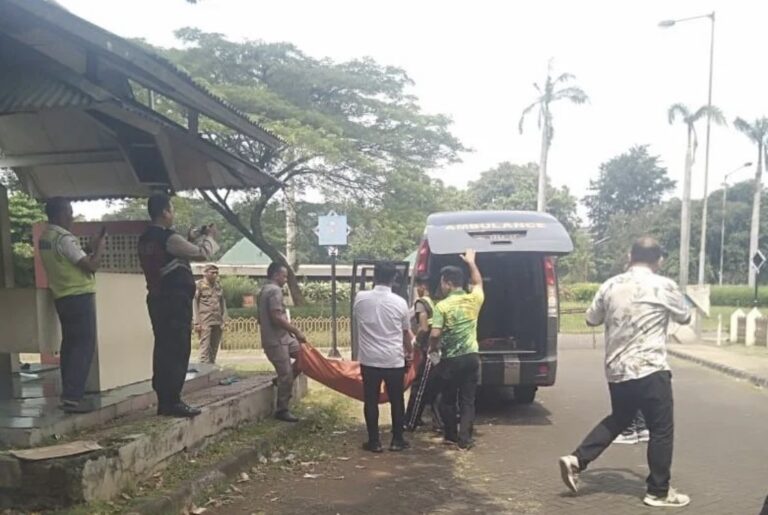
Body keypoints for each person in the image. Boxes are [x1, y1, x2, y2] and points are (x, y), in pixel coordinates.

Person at [559, 237, 692, 508]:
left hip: (617, 371)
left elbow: (590, 319)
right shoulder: (664, 286)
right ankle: (658, 491)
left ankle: (577, 459)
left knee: (620, 418)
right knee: (661, 430)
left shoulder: (610, 285)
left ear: (629, 255)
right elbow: (685, 317)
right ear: (659, 260)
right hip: (651, 368)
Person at [138, 194, 219, 418]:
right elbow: (202, 254)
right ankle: (172, 400)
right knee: (177, 348)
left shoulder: (146, 238)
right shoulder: (168, 238)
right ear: (164, 212)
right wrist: (209, 237)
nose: (172, 213)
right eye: (171, 209)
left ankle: (165, 397)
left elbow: (171, 256)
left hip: (157, 299)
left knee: (163, 348)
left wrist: (190, 239)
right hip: (173, 302)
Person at [39, 198, 105, 413]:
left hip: (62, 296)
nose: (72, 217)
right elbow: (91, 266)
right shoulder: (65, 238)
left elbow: (68, 259)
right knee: (83, 346)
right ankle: (73, 397)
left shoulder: (47, 237)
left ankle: (69, 393)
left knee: (70, 345)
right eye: (69, 212)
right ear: (59, 214)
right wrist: (99, 249)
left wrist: (88, 247)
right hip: (79, 295)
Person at [353, 262, 413, 453]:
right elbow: (405, 333)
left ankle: (374, 441)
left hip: (369, 360)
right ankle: (397, 440)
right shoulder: (400, 302)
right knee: (397, 399)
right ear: (394, 279)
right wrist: (409, 353)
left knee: (370, 400)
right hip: (393, 359)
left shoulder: (360, 298)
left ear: (374, 276)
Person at [429, 249, 483, 451]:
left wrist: (433, 350)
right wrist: (471, 262)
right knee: (468, 400)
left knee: (448, 400)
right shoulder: (473, 299)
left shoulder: (442, 306)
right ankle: (465, 440)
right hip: (471, 357)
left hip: (451, 360)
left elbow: (434, 334)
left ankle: (451, 435)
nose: (441, 286)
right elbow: (478, 283)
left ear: (448, 283)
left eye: (442, 282)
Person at [258, 262, 307, 423]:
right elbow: (276, 316)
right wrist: (296, 331)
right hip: (276, 341)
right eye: (284, 276)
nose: (286, 279)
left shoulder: (265, 290)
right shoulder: (274, 291)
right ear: (276, 275)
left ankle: (281, 382)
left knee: (304, 356)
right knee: (286, 375)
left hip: (283, 338)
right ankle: (282, 409)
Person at [404, 276, 442, 432]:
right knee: (434, 388)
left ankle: (410, 422)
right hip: (439, 350)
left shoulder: (422, 303)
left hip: (429, 350)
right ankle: (439, 423)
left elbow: (424, 328)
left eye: (418, 286)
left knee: (419, 387)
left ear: (422, 286)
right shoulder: (436, 302)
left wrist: (416, 343)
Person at [194, 264, 227, 364]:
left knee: (214, 347)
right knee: (205, 348)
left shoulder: (218, 286)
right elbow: (194, 303)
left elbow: (222, 303)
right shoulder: (199, 285)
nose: (215, 275)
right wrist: (196, 322)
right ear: (205, 273)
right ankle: (204, 370)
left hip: (217, 320)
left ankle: (211, 369)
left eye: (216, 273)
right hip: (205, 320)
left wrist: (225, 319)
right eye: (212, 273)